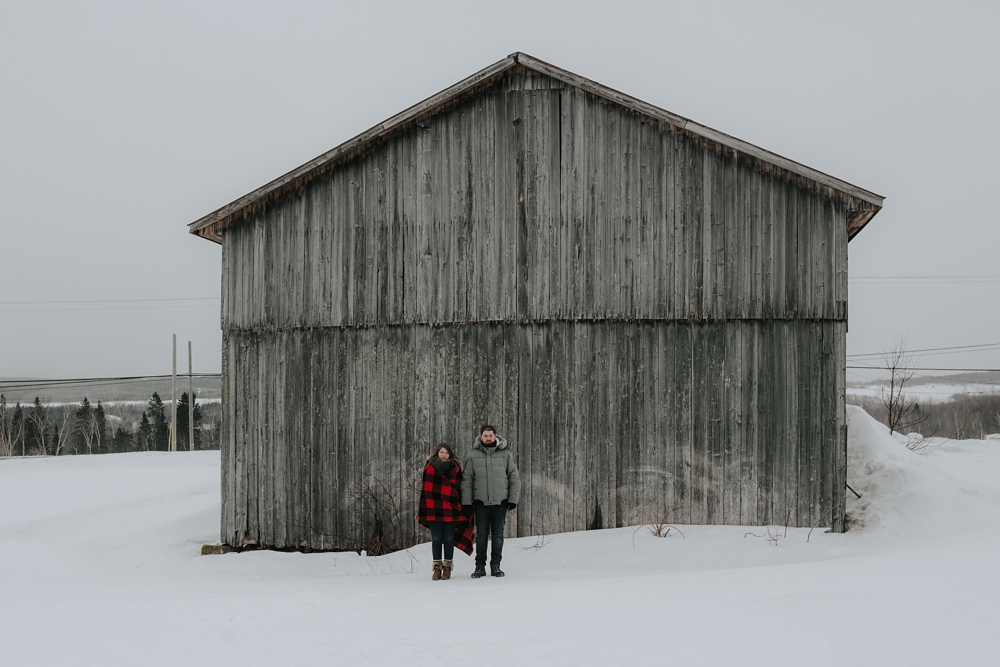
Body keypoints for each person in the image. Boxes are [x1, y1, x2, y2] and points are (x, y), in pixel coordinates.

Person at [462, 424, 521, 578]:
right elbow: (467, 481)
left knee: (498, 535)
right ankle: (479, 567)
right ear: (480, 437)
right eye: (485, 435)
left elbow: (514, 477)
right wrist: (467, 503)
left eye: (490, 435)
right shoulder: (472, 456)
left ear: (496, 437)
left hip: (500, 502)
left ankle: (496, 566)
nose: (488, 438)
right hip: (480, 503)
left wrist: (512, 499)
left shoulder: (506, 455)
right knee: (481, 536)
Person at [417, 443, 474, 580]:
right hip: (433, 508)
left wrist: (464, 506)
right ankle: (437, 567)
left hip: (451, 509)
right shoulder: (429, 468)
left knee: (448, 539)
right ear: (437, 453)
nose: (444, 455)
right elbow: (427, 490)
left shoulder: (456, 469)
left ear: (450, 455)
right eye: (442, 452)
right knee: (436, 539)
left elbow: (459, 489)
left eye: (447, 453)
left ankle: (447, 567)